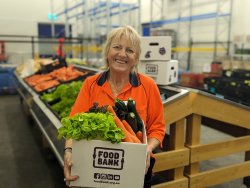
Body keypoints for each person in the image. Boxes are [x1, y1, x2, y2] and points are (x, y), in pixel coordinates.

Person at [63, 25, 166, 188]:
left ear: (136, 57)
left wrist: (147, 149)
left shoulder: (148, 86)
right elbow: (74, 124)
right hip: (96, 164)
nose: (122, 54)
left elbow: (157, 129)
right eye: (117, 47)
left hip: (136, 164)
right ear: (107, 51)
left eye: (130, 50)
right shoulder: (91, 84)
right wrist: (69, 151)